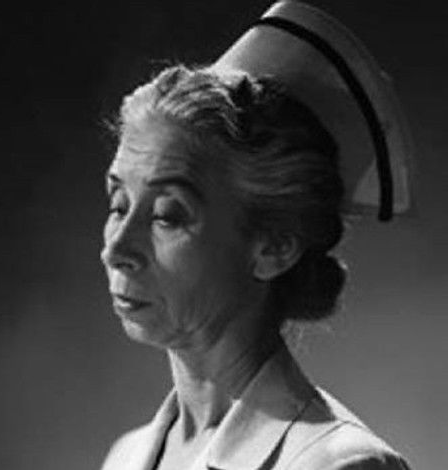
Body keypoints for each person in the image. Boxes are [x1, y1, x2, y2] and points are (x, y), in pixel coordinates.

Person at [99, 64, 411, 470]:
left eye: (167, 216)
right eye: (118, 206)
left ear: (275, 247)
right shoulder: (125, 456)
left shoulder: (341, 464)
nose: (117, 249)